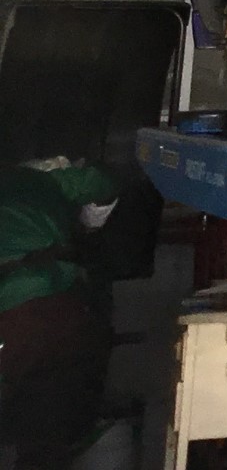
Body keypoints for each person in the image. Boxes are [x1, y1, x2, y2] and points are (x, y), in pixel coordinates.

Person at [0, 159, 118, 465]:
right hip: (62, 307)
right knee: (51, 421)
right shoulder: (42, 179)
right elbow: (102, 185)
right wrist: (89, 225)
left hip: (14, 317)